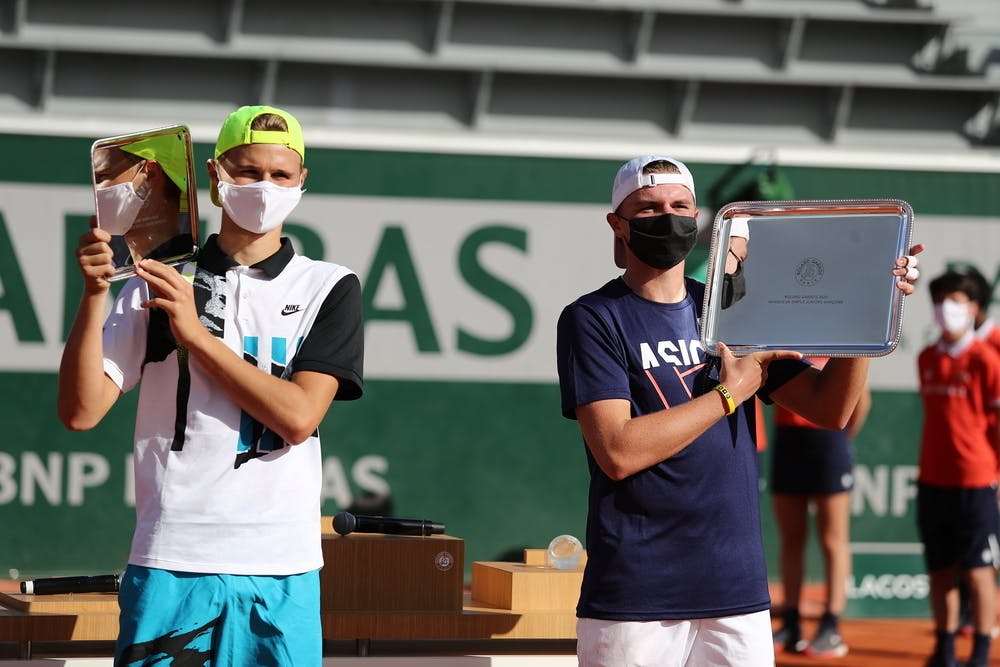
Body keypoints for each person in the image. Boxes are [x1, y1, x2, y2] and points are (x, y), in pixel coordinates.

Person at [555, 155, 922, 666]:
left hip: (735, 591)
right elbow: (617, 450)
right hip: (637, 593)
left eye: (680, 204)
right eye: (649, 207)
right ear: (617, 224)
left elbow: (831, 409)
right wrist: (727, 395)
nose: (668, 216)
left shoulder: (735, 313)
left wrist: (866, 309)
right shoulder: (593, 318)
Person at [58, 105, 365, 666]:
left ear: (302, 181)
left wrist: (195, 336)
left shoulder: (330, 286)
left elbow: (298, 418)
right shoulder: (157, 278)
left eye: (280, 174)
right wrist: (95, 293)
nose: (264, 187)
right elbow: (80, 411)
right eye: (247, 171)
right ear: (215, 173)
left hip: (282, 565)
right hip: (172, 555)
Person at [916, 270, 1000, 667]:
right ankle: (944, 648)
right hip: (934, 481)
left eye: (958, 301)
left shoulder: (988, 361)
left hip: (977, 482)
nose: (948, 309)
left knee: (980, 571)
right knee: (940, 571)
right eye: (942, 300)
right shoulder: (926, 358)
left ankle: (981, 652)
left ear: (976, 309)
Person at [769, 360, 871, 658]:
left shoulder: (839, 345)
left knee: (833, 539)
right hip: (788, 440)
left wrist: (840, 439)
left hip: (828, 441)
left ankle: (831, 625)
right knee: (791, 538)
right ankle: (791, 622)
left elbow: (861, 400)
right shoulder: (787, 337)